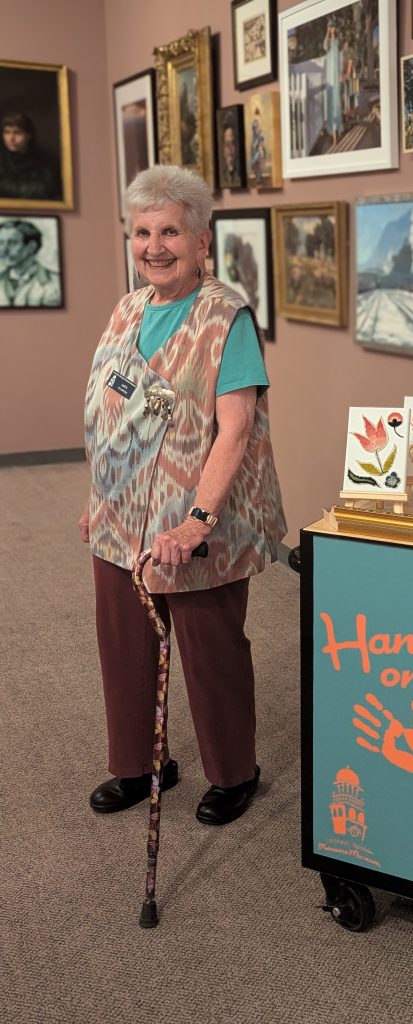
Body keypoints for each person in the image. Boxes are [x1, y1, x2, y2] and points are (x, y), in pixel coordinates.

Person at [81, 165, 286, 826]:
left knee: (209, 650)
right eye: (142, 232)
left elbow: (235, 429)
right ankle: (141, 765)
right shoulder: (127, 308)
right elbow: (112, 413)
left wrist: (196, 523)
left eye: (170, 230)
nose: (154, 245)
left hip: (198, 516)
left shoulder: (225, 317)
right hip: (122, 515)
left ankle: (234, 772)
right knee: (126, 645)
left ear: (202, 240)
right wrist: (99, 496)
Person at [0, 111, 62, 202]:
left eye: (17, 133)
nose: (11, 138)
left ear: (28, 135)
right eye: (7, 132)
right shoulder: (2, 160)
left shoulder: (46, 161)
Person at [0, 218, 61, 307]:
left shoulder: (55, 282)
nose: (3, 250)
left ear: (31, 247)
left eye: (12, 243)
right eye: (0, 243)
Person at [323, 18, 344, 146]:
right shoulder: (328, 43)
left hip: (336, 77)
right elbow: (324, 46)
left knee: (337, 102)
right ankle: (333, 131)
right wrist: (326, 32)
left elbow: (340, 59)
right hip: (329, 77)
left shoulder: (337, 42)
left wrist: (341, 73)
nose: (332, 29)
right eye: (330, 27)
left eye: (333, 27)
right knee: (331, 102)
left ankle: (337, 128)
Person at [219, 111, 241, 188]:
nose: (230, 152)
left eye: (233, 144)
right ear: (222, 150)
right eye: (227, 145)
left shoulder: (239, 177)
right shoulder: (221, 178)